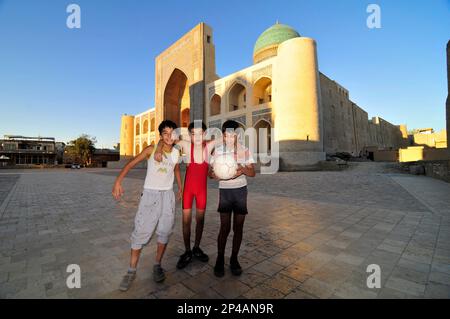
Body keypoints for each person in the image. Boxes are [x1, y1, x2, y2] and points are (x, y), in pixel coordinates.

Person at [112, 120, 182, 291]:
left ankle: (157, 264)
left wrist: (181, 187)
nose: (169, 136)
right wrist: (118, 182)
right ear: (160, 136)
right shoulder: (151, 150)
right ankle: (131, 270)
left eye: (172, 133)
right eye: (165, 133)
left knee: (165, 232)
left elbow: (176, 169)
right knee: (141, 232)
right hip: (150, 196)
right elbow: (130, 164)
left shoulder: (176, 153)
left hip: (168, 196)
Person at [154, 121, 216, 269]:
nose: (198, 137)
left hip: (202, 192)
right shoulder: (187, 145)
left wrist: (213, 172)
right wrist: (158, 149)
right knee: (186, 222)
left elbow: (225, 138)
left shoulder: (209, 146)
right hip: (189, 191)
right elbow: (165, 139)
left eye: (201, 133)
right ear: (190, 135)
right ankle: (187, 251)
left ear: (205, 134)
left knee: (200, 221)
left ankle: (196, 248)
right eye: (194, 134)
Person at [209, 120, 256, 277]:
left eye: (233, 133)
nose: (230, 136)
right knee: (224, 228)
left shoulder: (244, 150)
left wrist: (242, 170)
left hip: (240, 191)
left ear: (237, 135)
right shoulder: (217, 151)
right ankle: (220, 258)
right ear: (223, 135)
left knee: (238, 228)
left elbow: (252, 173)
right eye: (227, 134)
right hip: (226, 192)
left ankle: (234, 259)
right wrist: (214, 174)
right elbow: (210, 173)